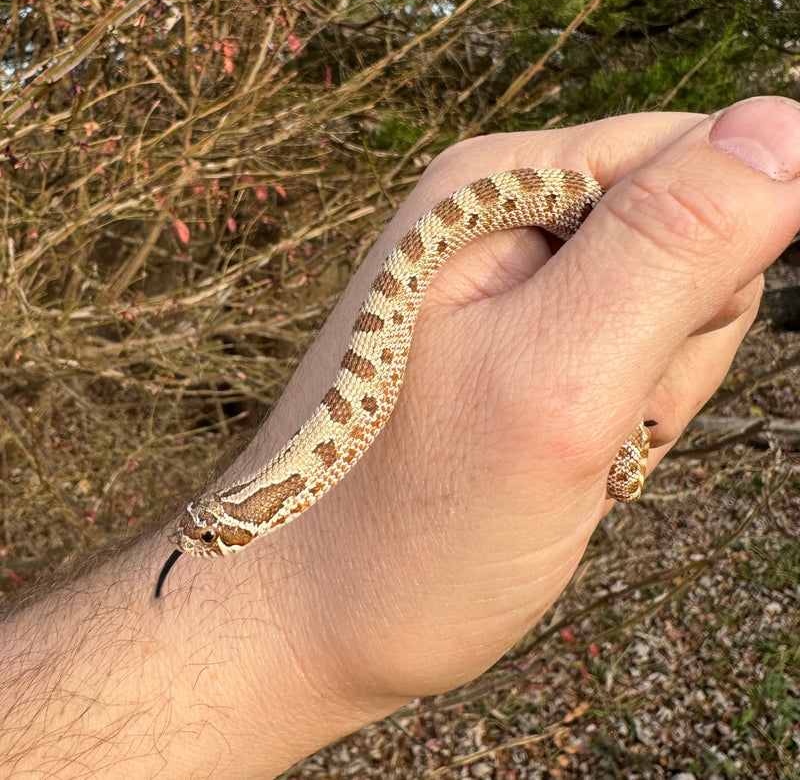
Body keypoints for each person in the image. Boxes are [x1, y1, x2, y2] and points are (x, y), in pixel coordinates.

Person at [2, 97, 799, 779]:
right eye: (207, 531)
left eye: (211, 526)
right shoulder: (308, 468)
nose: (204, 536)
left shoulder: (310, 455)